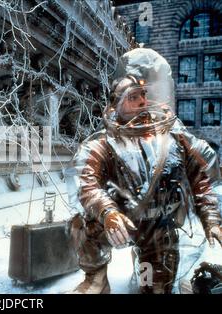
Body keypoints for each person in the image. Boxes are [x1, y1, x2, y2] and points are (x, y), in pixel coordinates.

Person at [66, 48, 222, 294]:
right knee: (81, 224)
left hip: (160, 229)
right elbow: (85, 182)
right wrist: (108, 213)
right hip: (121, 221)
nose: (142, 101)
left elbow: (202, 176)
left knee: (154, 290)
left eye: (142, 95)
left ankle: (147, 272)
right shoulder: (104, 142)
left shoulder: (175, 137)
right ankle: (96, 278)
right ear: (117, 104)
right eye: (132, 97)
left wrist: (211, 217)